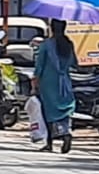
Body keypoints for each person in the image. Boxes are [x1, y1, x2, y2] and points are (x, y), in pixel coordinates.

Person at [32, 19, 77, 153]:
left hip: (48, 82)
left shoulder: (46, 45)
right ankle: (66, 133)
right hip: (65, 81)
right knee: (65, 109)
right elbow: (74, 62)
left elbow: (39, 66)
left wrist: (35, 82)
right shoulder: (69, 44)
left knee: (48, 112)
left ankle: (49, 142)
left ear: (51, 28)